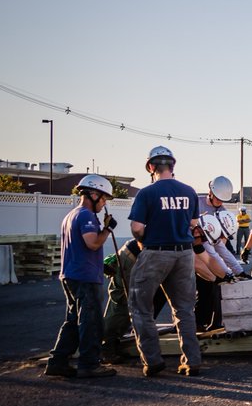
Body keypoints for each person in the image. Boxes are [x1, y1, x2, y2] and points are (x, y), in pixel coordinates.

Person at [126, 146, 203, 377]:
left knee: (141, 308)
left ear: (151, 167)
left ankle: (152, 361)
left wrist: (143, 239)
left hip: (155, 253)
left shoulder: (146, 193)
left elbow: (137, 227)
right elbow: (193, 223)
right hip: (184, 254)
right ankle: (192, 361)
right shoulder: (189, 192)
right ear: (172, 165)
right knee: (184, 310)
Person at [45, 175, 119, 378]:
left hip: (71, 274)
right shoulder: (86, 216)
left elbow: (80, 248)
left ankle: (58, 361)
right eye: (103, 198)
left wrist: (101, 266)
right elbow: (93, 243)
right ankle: (89, 364)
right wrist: (107, 229)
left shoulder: (71, 215)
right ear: (93, 194)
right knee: (91, 321)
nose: (104, 203)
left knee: (73, 320)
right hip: (85, 277)